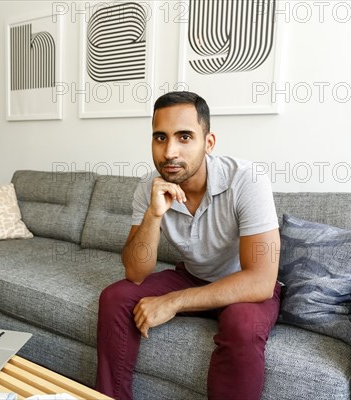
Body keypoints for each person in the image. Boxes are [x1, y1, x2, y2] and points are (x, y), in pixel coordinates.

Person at [95, 91, 281, 400]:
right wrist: (154, 214)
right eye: (160, 137)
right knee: (115, 296)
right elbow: (135, 272)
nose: (169, 152)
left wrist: (174, 301)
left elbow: (261, 280)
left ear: (208, 143)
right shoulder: (148, 186)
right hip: (194, 275)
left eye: (184, 137)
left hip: (244, 284)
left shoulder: (247, 179)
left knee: (242, 324)